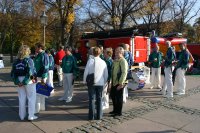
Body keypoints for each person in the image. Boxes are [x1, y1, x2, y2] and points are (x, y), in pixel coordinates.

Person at [11, 45, 38, 121]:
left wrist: (17, 81)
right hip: (28, 80)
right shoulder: (29, 60)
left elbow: (13, 73)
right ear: (27, 51)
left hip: (19, 79)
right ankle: (31, 115)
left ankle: (22, 116)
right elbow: (31, 72)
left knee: (21, 98)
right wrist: (29, 80)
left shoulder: (16, 61)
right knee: (31, 98)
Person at [83, 47, 108, 120]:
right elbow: (106, 74)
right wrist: (104, 81)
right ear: (100, 53)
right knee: (99, 99)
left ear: (93, 53)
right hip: (100, 83)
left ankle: (91, 116)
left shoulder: (90, 61)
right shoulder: (103, 62)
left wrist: (84, 81)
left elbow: (86, 72)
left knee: (91, 99)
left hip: (91, 83)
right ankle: (99, 116)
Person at [110, 47, 128, 116]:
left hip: (119, 82)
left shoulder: (123, 61)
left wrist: (121, 83)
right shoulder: (115, 60)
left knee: (119, 98)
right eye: (115, 52)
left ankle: (118, 112)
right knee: (113, 96)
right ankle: (115, 110)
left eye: (117, 52)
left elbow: (124, 72)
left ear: (121, 53)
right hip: (114, 82)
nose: (116, 53)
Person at [34, 42, 49, 113]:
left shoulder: (44, 55)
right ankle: (41, 107)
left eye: (36, 47)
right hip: (38, 76)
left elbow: (46, 67)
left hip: (41, 77)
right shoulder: (39, 55)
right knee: (41, 93)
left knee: (38, 93)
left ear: (40, 47)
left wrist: (43, 77)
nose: (35, 48)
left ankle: (37, 109)